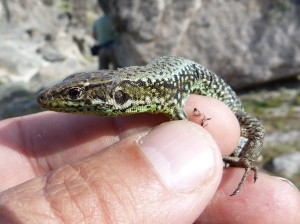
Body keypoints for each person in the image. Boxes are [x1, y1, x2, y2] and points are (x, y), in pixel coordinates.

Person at [0, 95, 299, 223]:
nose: (61, 102)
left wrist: (246, 156)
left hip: (228, 108)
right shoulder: (150, 101)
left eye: (77, 95)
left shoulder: (162, 97)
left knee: (252, 130)